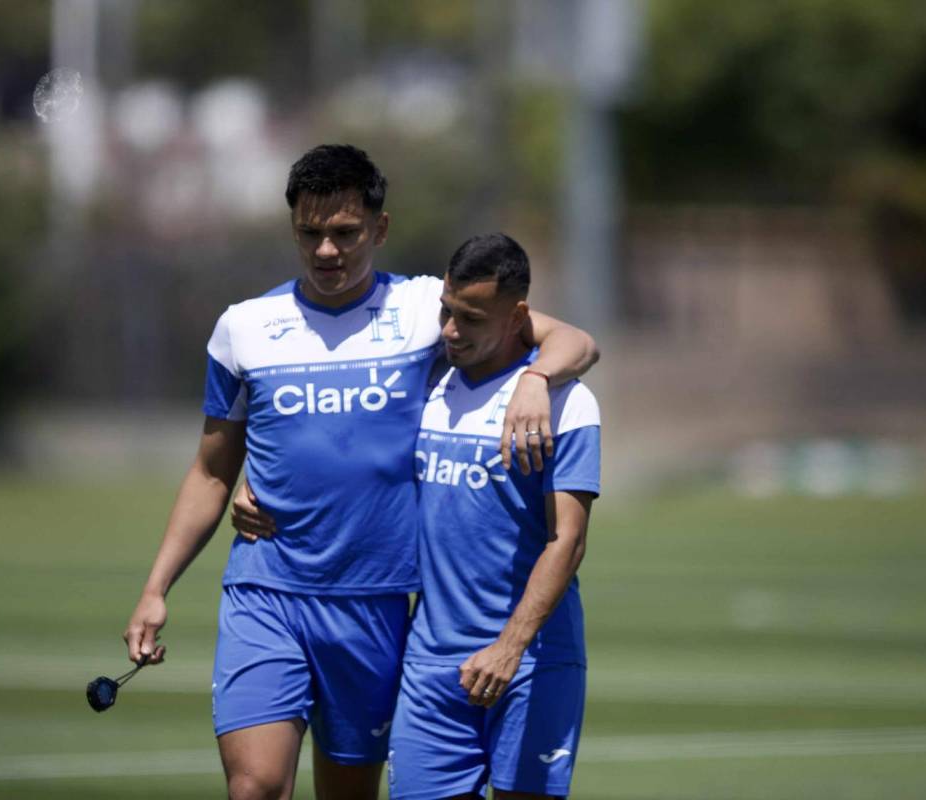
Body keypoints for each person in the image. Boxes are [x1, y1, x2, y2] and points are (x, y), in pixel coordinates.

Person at [122, 145, 598, 800]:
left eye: (345, 233)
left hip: (376, 603)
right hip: (267, 590)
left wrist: (537, 378)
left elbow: (575, 340)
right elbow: (210, 473)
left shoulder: (428, 308)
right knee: (255, 786)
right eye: (309, 233)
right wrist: (156, 588)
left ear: (380, 228)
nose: (326, 250)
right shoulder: (244, 327)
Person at [387, 233, 600, 800]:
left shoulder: (566, 402)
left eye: (472, 319)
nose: (451, 331)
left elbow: (567, 540)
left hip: (531, 663)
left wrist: (510, 646)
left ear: (518, 317)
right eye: (447, 312)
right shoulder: (429, 383)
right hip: (430, 667)